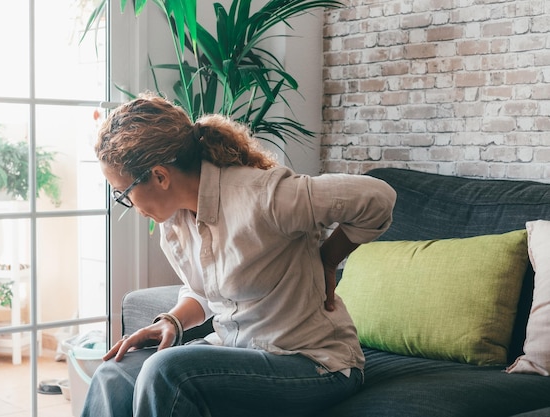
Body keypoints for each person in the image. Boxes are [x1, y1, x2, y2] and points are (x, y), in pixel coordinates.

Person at [82, 93, 397, 417]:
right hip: (236, 350)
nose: (129, 204)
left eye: (125, 192)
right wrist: (173, 322)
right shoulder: (176, 220)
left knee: (165, 371)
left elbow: (378, 198)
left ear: (160, 176)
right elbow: (207, 288)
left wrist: (329, 259)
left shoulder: (263, 197)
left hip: (314, 363)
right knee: (114, 375)